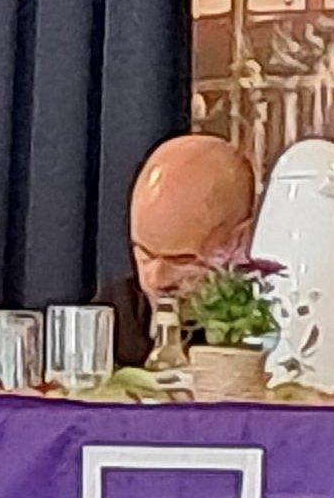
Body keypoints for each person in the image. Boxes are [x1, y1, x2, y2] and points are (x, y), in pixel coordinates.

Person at [101, 133, 259, 359]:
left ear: (241, 241)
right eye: (144, 255)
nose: (156, 280)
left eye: (180, 259)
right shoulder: (115, 317)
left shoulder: (275, 324)